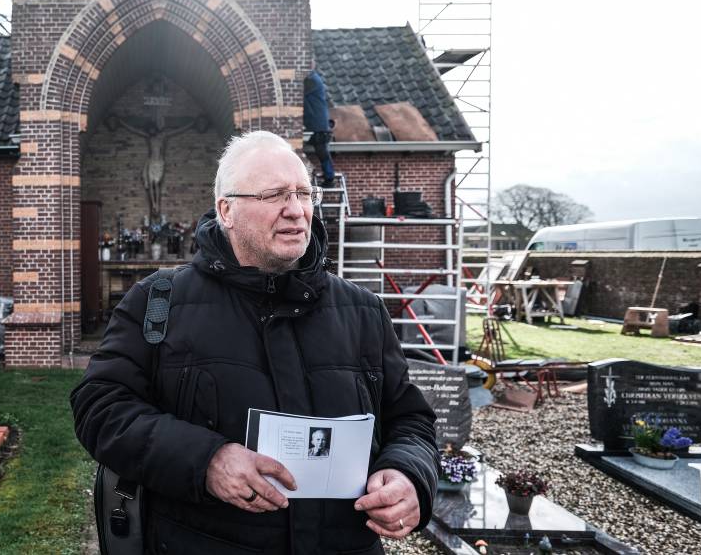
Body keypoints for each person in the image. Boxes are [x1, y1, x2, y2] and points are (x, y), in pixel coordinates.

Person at [71, 131, 437, 554]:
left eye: (303, 193)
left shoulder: (363, 311)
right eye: (274, 195)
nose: (296, 210)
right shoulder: (160, 302)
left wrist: (409, 475)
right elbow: (99, 406)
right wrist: (207, 461)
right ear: (227, 210)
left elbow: (410, 420)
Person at [303, 70, 336, 187]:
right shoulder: (312, 79)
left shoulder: (312, 80)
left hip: (320, 126)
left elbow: (298, 90)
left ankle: (330, 178)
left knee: (322, 151)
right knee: (320, 150)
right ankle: (328, 175)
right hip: (319, 124)